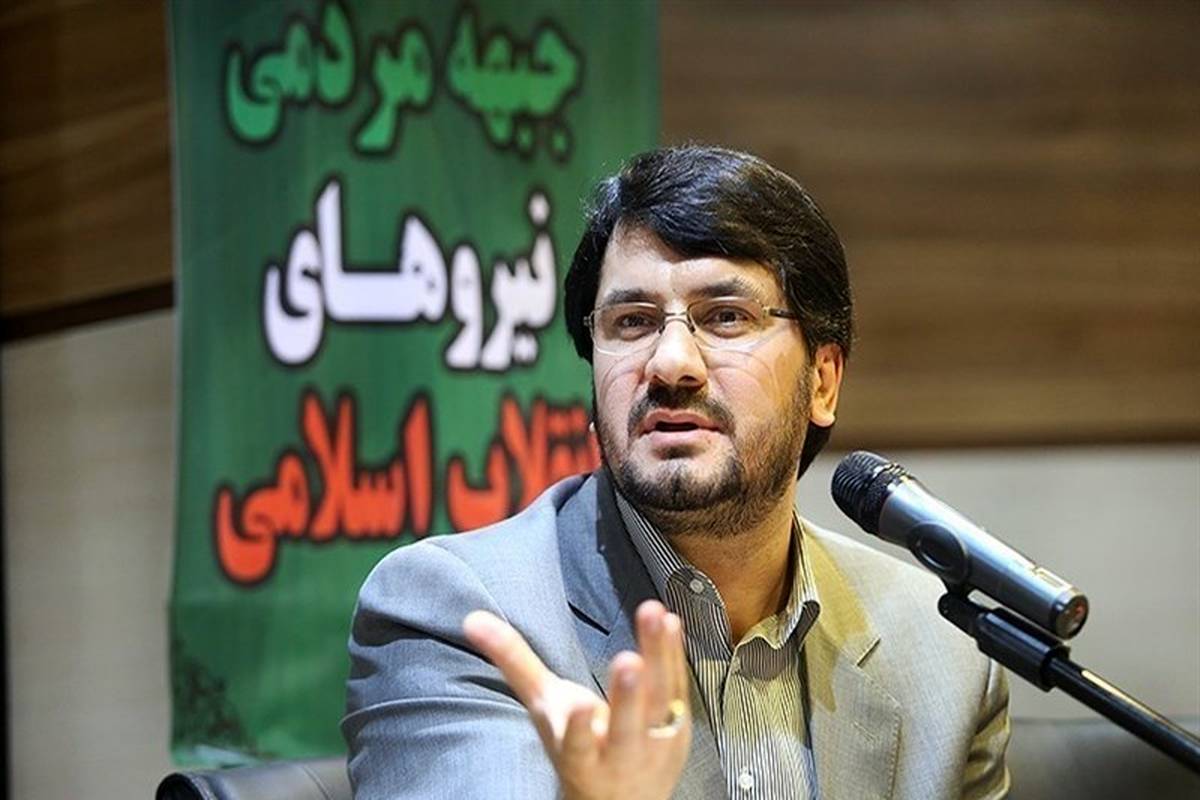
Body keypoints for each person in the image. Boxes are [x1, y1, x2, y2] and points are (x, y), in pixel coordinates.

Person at [342, 146, 1010, 800]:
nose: (670, 363)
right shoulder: (459, 615)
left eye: (726, 317)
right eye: (632, 323)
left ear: (823, 382)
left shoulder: (942, 651)